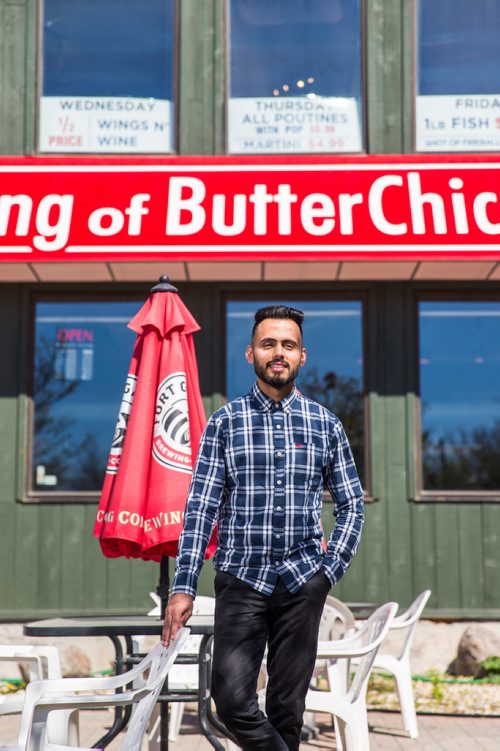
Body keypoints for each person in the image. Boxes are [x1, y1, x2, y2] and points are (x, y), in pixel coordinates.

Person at [163, 304, 364, 751]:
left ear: (302, 356)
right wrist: (184, 586)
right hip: (241, 579)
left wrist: (328, 573)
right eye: (268, 344)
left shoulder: (325, 424)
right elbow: (201, 508)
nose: (278, 353)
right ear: (249, 353)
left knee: (287, 710)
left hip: (302, 583)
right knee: (231, 699)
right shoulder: (224, 423)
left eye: (288, 345)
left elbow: (352, 504)